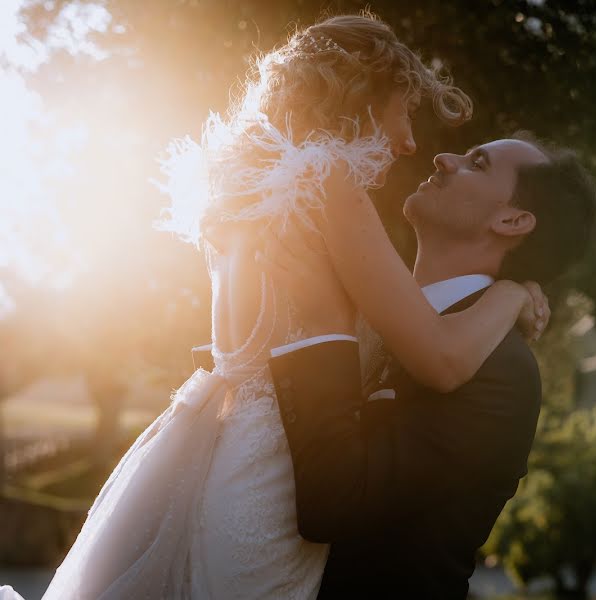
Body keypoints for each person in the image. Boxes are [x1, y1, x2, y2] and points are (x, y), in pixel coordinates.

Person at [20, 13, 548, 600]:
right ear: (364, 98)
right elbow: (439, 356)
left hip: (219, 455)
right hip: (271, 484)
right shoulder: (328, 185)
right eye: (403, 113)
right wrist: (510, 295)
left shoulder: (249, 197)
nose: (408, 143)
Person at [260, 133, 596, 598]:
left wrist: (320, 327)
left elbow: (334, 502)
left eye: (476, 163)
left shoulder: (501, 373)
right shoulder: (373, 310)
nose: (442, 157)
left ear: (512, 220)